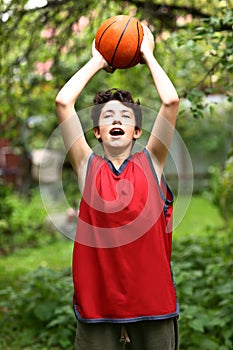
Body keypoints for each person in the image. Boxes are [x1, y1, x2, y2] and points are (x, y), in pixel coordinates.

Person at [55, 23, 179, 350]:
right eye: (108, 117)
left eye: (125, 116)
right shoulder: (86, 165)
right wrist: (98, 60)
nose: (116, 121)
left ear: (137, 131)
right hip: (100, 306)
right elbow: (64, 102)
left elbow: (170, 102)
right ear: (97, 131)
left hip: (153, 305)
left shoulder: (152, 161)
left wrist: (148, 54)